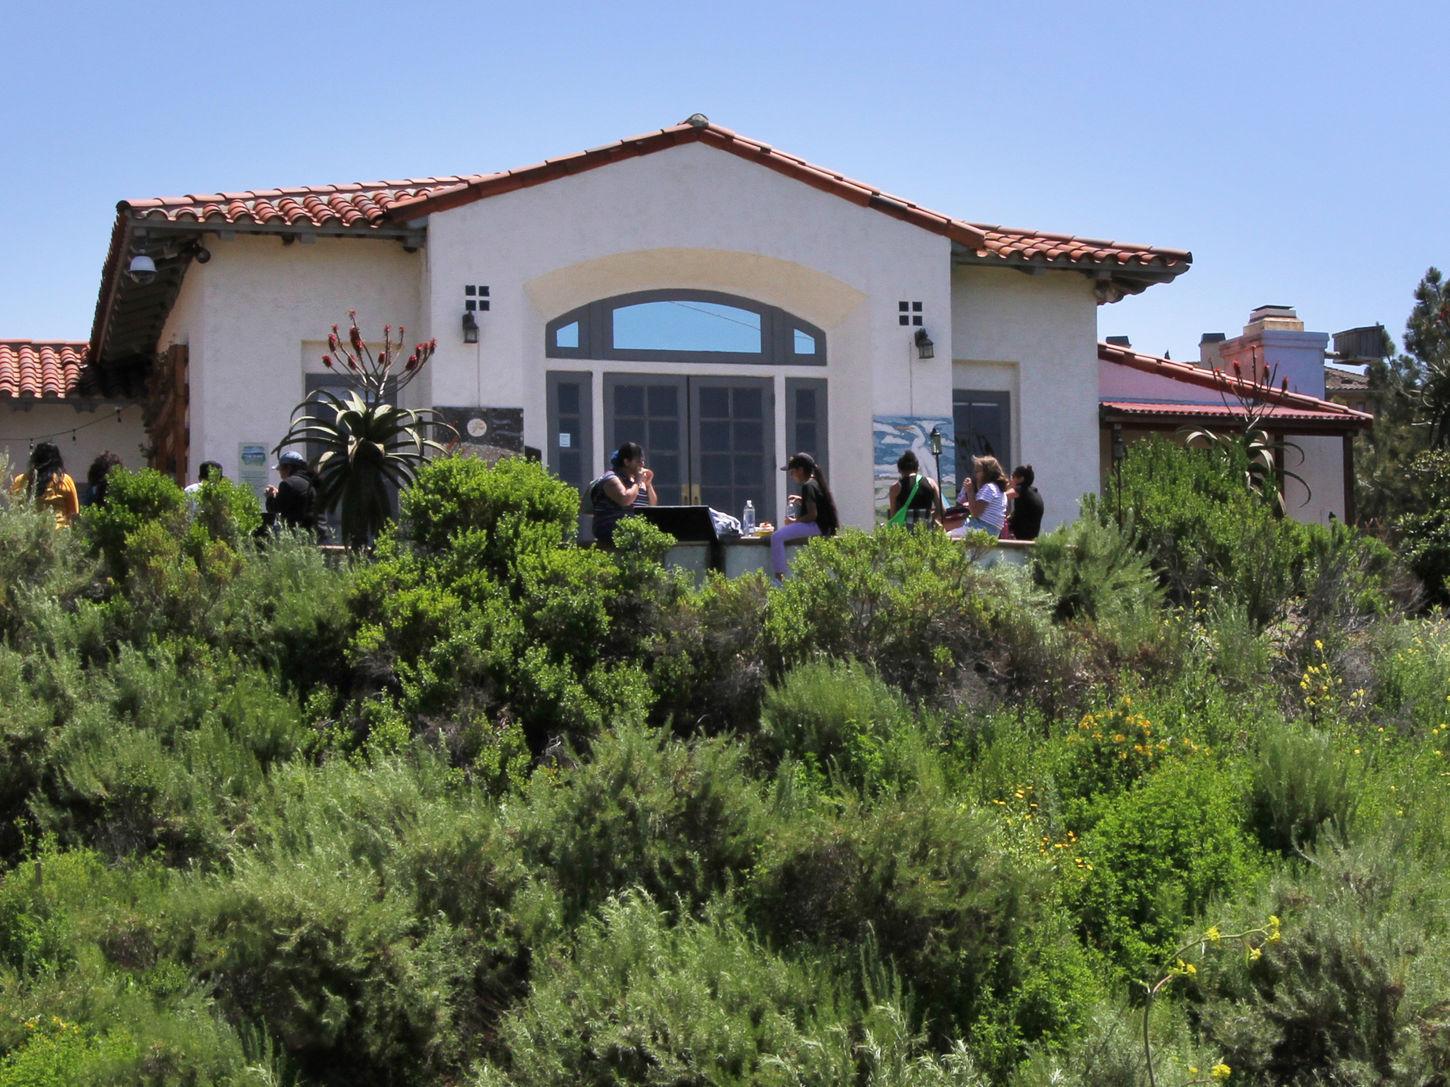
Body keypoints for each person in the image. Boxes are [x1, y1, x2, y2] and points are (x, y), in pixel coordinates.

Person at [772, 452, 838, 581]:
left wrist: (794, 521)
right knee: (779, 536)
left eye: (792, 472)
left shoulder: (808, 486)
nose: (792, 476)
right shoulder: (815, 482)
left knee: (776, 537)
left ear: (800, 470)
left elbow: (812, 515)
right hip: (824, 526)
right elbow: (818, 505)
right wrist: (800, 500)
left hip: (816, 526)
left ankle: (779, 579)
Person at [589, 441, 656, 548]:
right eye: (638, 461)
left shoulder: (636, 481)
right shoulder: (611, 478)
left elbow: (652, 506)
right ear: (626, 462)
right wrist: (637, 482)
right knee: (633, 538)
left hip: (634, 529)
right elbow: (625, 499)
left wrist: (648, 484)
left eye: (643, 461)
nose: (642, 465)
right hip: (610, 527)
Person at [9, 441, 79, 527]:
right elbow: (73, 513)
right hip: (58, 532)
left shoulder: (20, 481)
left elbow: (14, 510)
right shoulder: (64, 481)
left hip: (28, 531)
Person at [264, 449, 322, 538]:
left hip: (297, 534)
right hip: (315, 531)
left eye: (280, 469)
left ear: (288, 468)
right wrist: (280, 494)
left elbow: (275, 508)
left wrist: (270, 497)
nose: (280, 473)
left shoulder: (288, 483)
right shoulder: (310, 481)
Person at [948, 455, 1009, 537]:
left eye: (977, 472)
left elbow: (975, 513)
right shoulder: (1000, 490)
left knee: (946, 538)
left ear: (987, 472)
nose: (975, 475)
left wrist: (970, 491)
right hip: (993, 531)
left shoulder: (989, 488)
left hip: (982, 528)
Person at [887, 449, 942, 528]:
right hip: (925, 531)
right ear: (917, 468)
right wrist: (929, 518)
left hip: (905, 532)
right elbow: (941, 510)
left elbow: (894, 515)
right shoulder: (931, 483)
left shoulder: (895, 488)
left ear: (899, 470)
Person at [1005, 463, 1044, 541]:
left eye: (1013, 476)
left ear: (1021, 479)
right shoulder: (1034, 492)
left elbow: (1001, 496)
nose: (1011, 479)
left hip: (1020, 536)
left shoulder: (1020, 489)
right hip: (1032, 536)